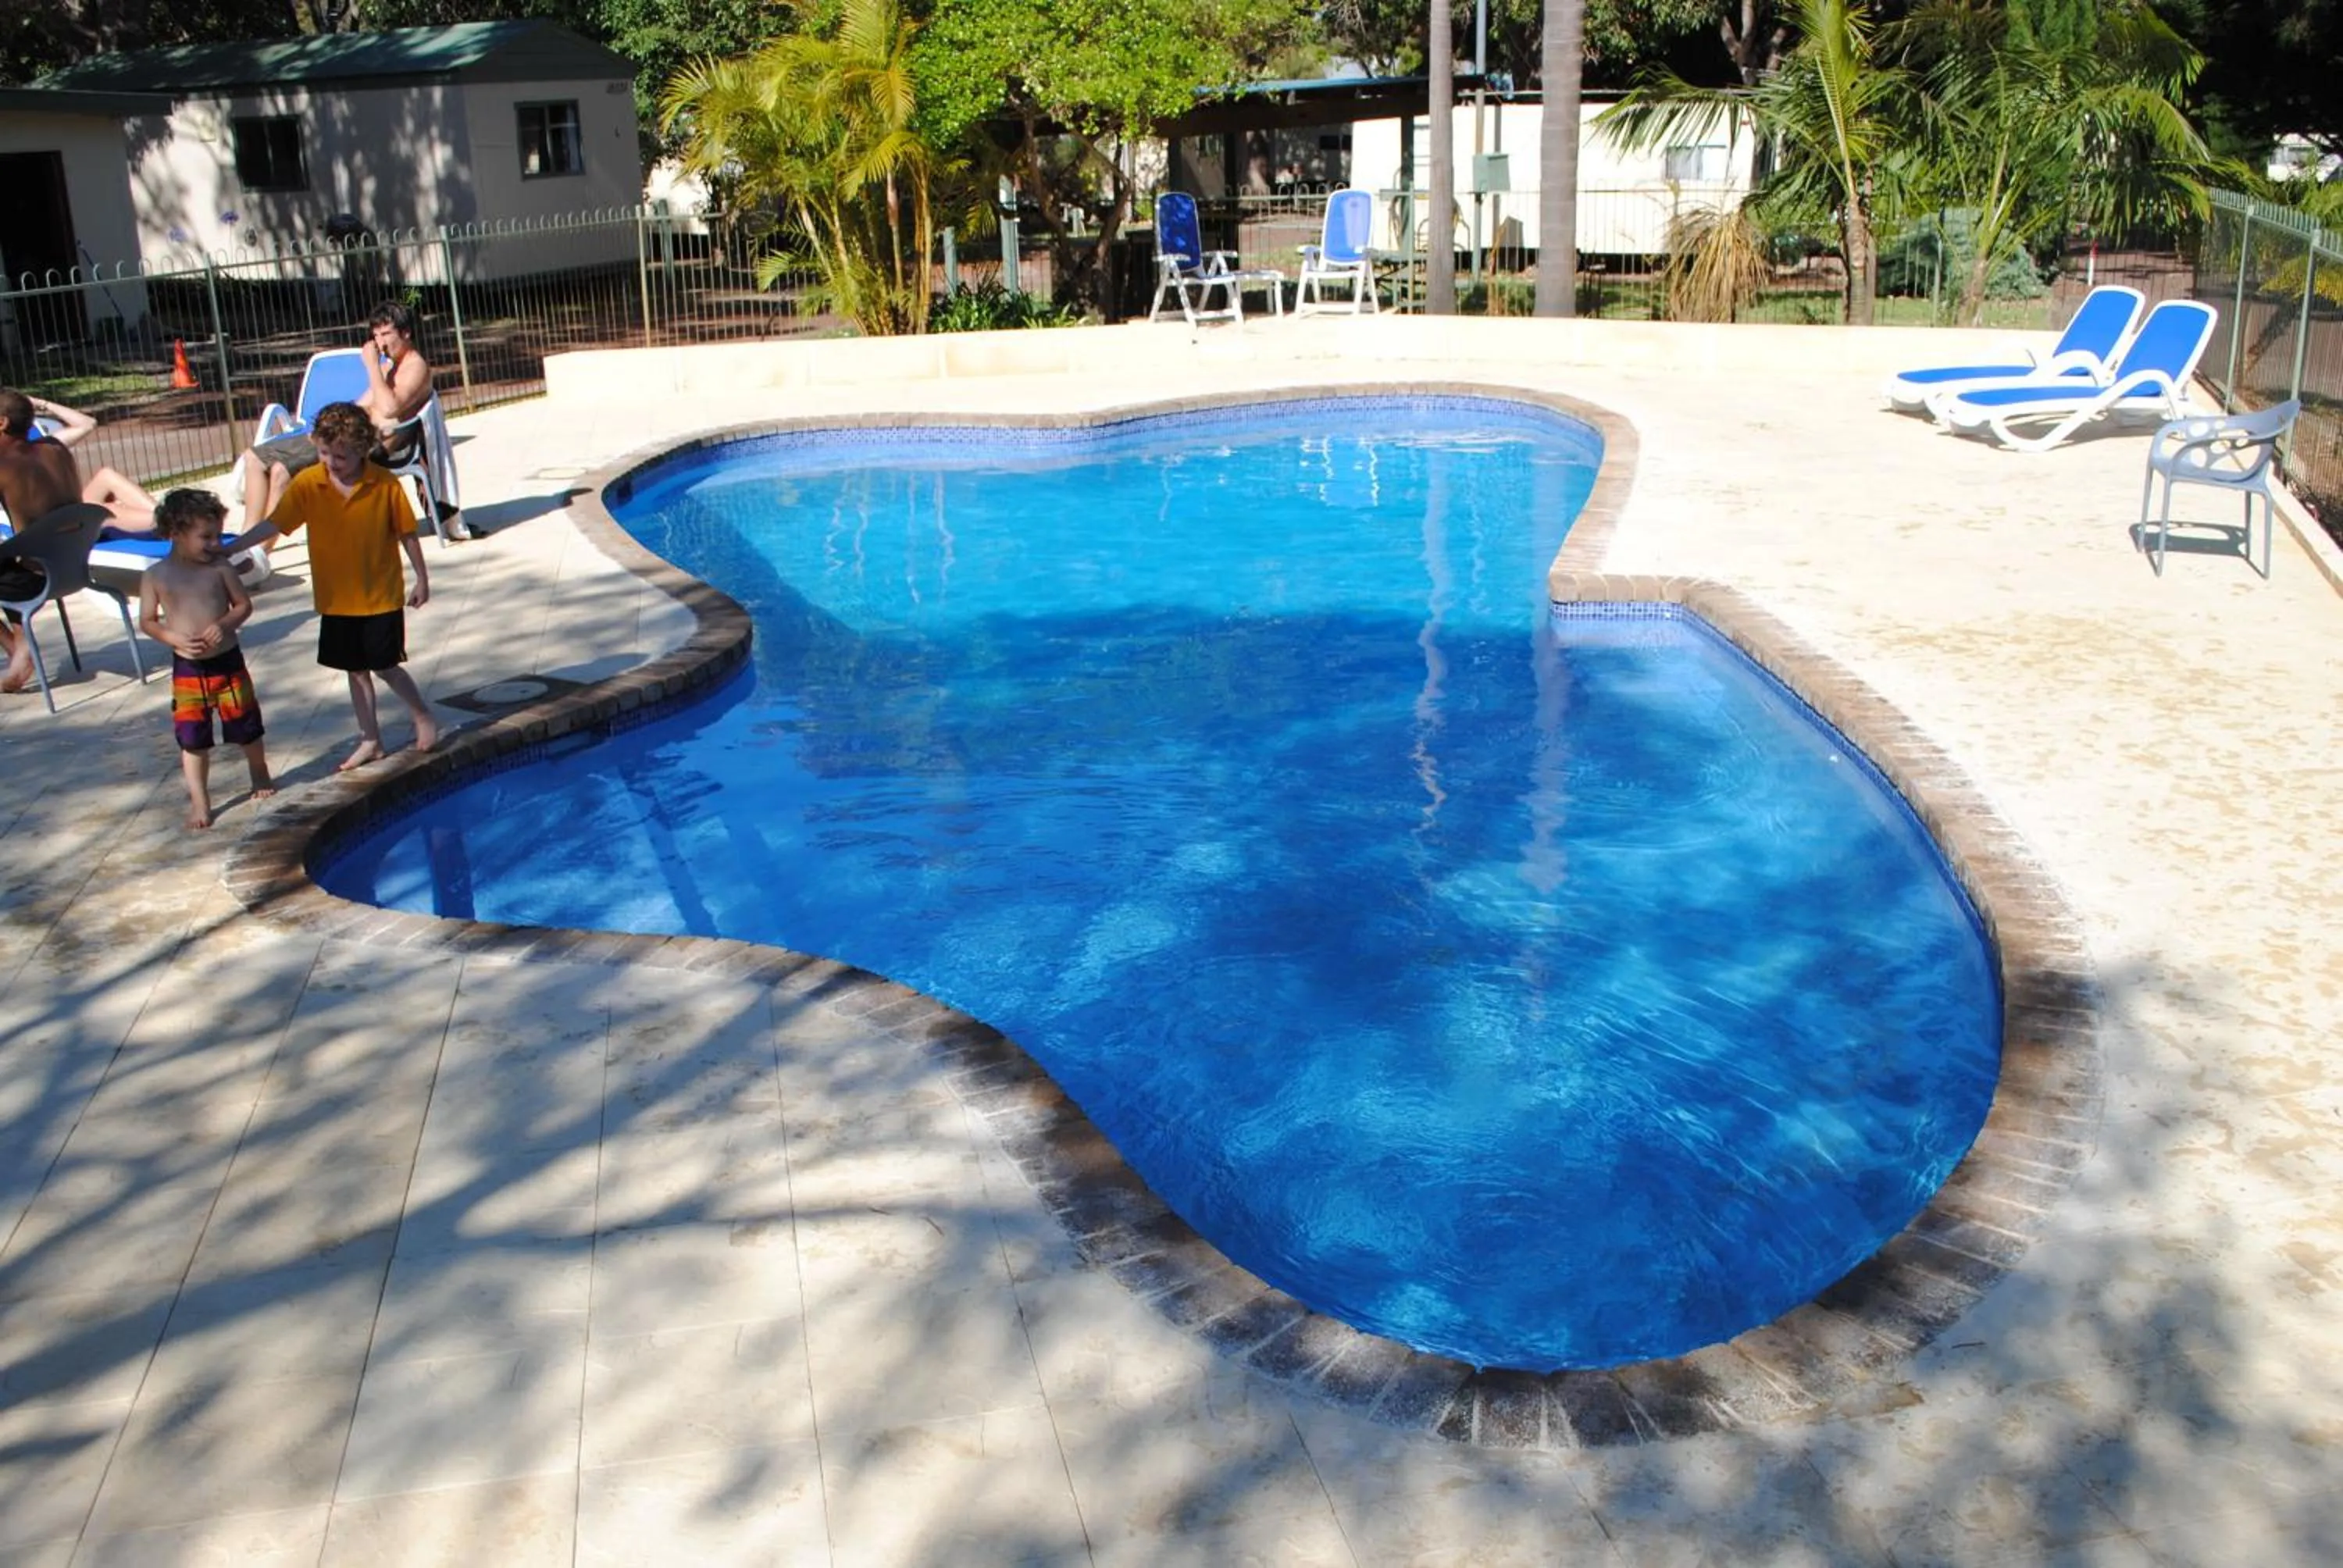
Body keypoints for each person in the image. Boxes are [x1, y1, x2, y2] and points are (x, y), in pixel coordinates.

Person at [231, 401, 438, 771]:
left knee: (386, 666)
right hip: (336, 599)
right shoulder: (310, 484)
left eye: (340, 456)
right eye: (324, 453)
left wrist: (422, 578)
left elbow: (407, 534)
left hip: (380, 597)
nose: (331, 462)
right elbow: (275, 524)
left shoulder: (384, 485)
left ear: (362, 450)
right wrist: (232, 547)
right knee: (355, 671)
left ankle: (421, 714)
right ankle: (371, 739)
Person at [237, 301, 469, 539]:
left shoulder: (415, 367)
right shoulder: (391, 366)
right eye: (376, 335)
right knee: (253, 457)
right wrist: (327, 427)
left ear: (406, 333)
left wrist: (372, 366)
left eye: (387, 333)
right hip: (345, 435)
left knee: (280, 472)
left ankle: (259, 549)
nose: (380, 342)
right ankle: (248, 535)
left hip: (364, 446)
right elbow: (361, 405)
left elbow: (390, 408)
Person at [138, 489, 273, 829]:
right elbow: (147, 620)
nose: (216, 544)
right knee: (192, 736)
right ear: (175, 533)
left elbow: (243, 605)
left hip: (227, 659)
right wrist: (170, 637)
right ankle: (200, 799)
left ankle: (259, 773)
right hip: (187, 668)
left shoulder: (220, 568)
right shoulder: (155, 576)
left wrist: (224, 624)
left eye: (217, 535)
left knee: (247, 726)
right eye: (206, 537)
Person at [0, 389, 103, 692]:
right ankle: (21, 645)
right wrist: (41, 404)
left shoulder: (4, 466)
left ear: (2, 422)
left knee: (9, 562)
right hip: (76, 568)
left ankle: (17, 648)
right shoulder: (56, 447)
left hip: (35, 577)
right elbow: (84, 423)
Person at [23, 393, 160, 533]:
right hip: (53, 525)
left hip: (64, 511)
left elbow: (88, 424)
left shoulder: (39, 445)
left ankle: (165, 516)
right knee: (103, 510)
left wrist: (42, 403)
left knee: (107, 476)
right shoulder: (18, 455)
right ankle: (169, 521)